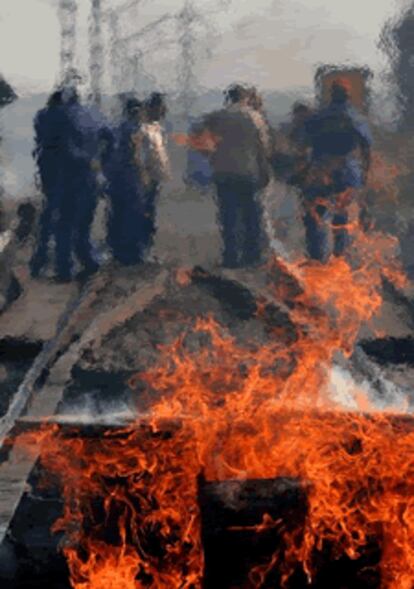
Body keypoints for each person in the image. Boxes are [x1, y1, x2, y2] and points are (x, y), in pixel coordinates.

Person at [190, 83, 270, 268]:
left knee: (229, 216)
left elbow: (196, 134)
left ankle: (231, 256)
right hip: (248, 172)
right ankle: (252, 255)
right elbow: (263, 148)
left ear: (229, 97)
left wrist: (209, 154)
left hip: (224, 172)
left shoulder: (218, 117)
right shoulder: (254, 117)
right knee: (251, 216)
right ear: (245, 97)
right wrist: (264, 171)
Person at [302, 80, 372, 263]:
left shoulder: (318, 117)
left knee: (318, 215)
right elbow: (366, 148)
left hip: (321, 171)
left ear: (331, 95)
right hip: (347, 171)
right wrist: (365, 173)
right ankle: (341, 259)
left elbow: (304, 143)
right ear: (348, 96)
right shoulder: (356, 117)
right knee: (342, 217)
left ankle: (318, 260)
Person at [54, 86, 104, 280]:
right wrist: (99, 162)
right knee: (84, 223)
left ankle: (65, 270)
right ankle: (88, 262)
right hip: (91, 178)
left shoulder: (64, 117)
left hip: (70, 179)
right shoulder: (92, 115)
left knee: (65, 225)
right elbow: (108, 137)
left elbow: (66, 149)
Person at [104, 96, 147, 266]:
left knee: (117, 213)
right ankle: (132, 254)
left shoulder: (116, 128)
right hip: (130, 177)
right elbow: (135, 155)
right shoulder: (134, 129)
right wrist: (143, 174)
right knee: (133, 214)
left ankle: (117, 251)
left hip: (115, 178)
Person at [29, 90, 68, 278]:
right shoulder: (63, 117)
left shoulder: (41, 115)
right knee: (62, 219)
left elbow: (39, 139)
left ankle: (38, 262)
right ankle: (61, 267)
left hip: (46, 167)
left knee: (48, 214)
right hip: (62, 170)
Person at [138, 92, 170, 257]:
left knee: (150, 212)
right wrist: (144, 175)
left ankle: (148, 246)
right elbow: (141, 156)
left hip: (155, 177)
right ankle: (142, 248)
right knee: (144, 213)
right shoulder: (143, 130)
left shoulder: (158, 129)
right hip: (146, 178)